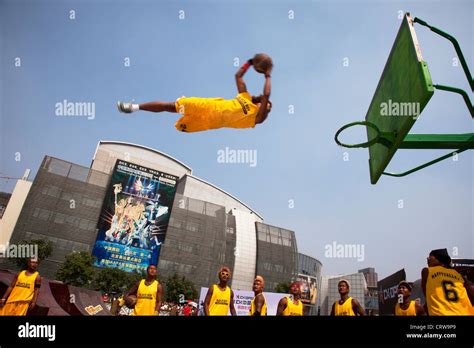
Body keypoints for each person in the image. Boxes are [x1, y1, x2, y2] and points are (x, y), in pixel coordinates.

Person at [117, 58, 272, 133]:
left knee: (180, 125)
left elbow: (266, 94)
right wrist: (249, 62)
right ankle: (134, 107)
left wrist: (267, 76)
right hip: (208, 105)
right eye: (266, 104)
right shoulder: (245, 97)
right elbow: (238, 76)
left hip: (208, 122)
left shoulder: (254, 119)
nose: (266, 106)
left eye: (268, 108)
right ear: (258, 102)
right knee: (171, 106)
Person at [422, 248, 474, 315]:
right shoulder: (458, 274)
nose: (427, 258)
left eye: (430, 255)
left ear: (439, 259)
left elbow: (426, 293)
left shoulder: (427, 271)